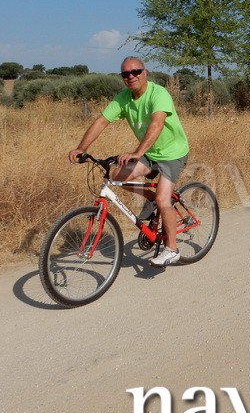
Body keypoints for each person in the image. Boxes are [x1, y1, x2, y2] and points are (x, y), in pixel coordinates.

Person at [68, 57, 190, 267]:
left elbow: (157, 124)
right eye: (125, 74)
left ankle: (172, 249)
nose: (131, 76)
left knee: (164, 200)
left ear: (145, 72)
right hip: (150, 153)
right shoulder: (123, 98)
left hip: (172, 153)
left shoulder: (159, 93)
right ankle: (150, 198)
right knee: (117, 176)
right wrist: (81, 148)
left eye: (136, 72)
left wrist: (137, 152)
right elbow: (102, 121)